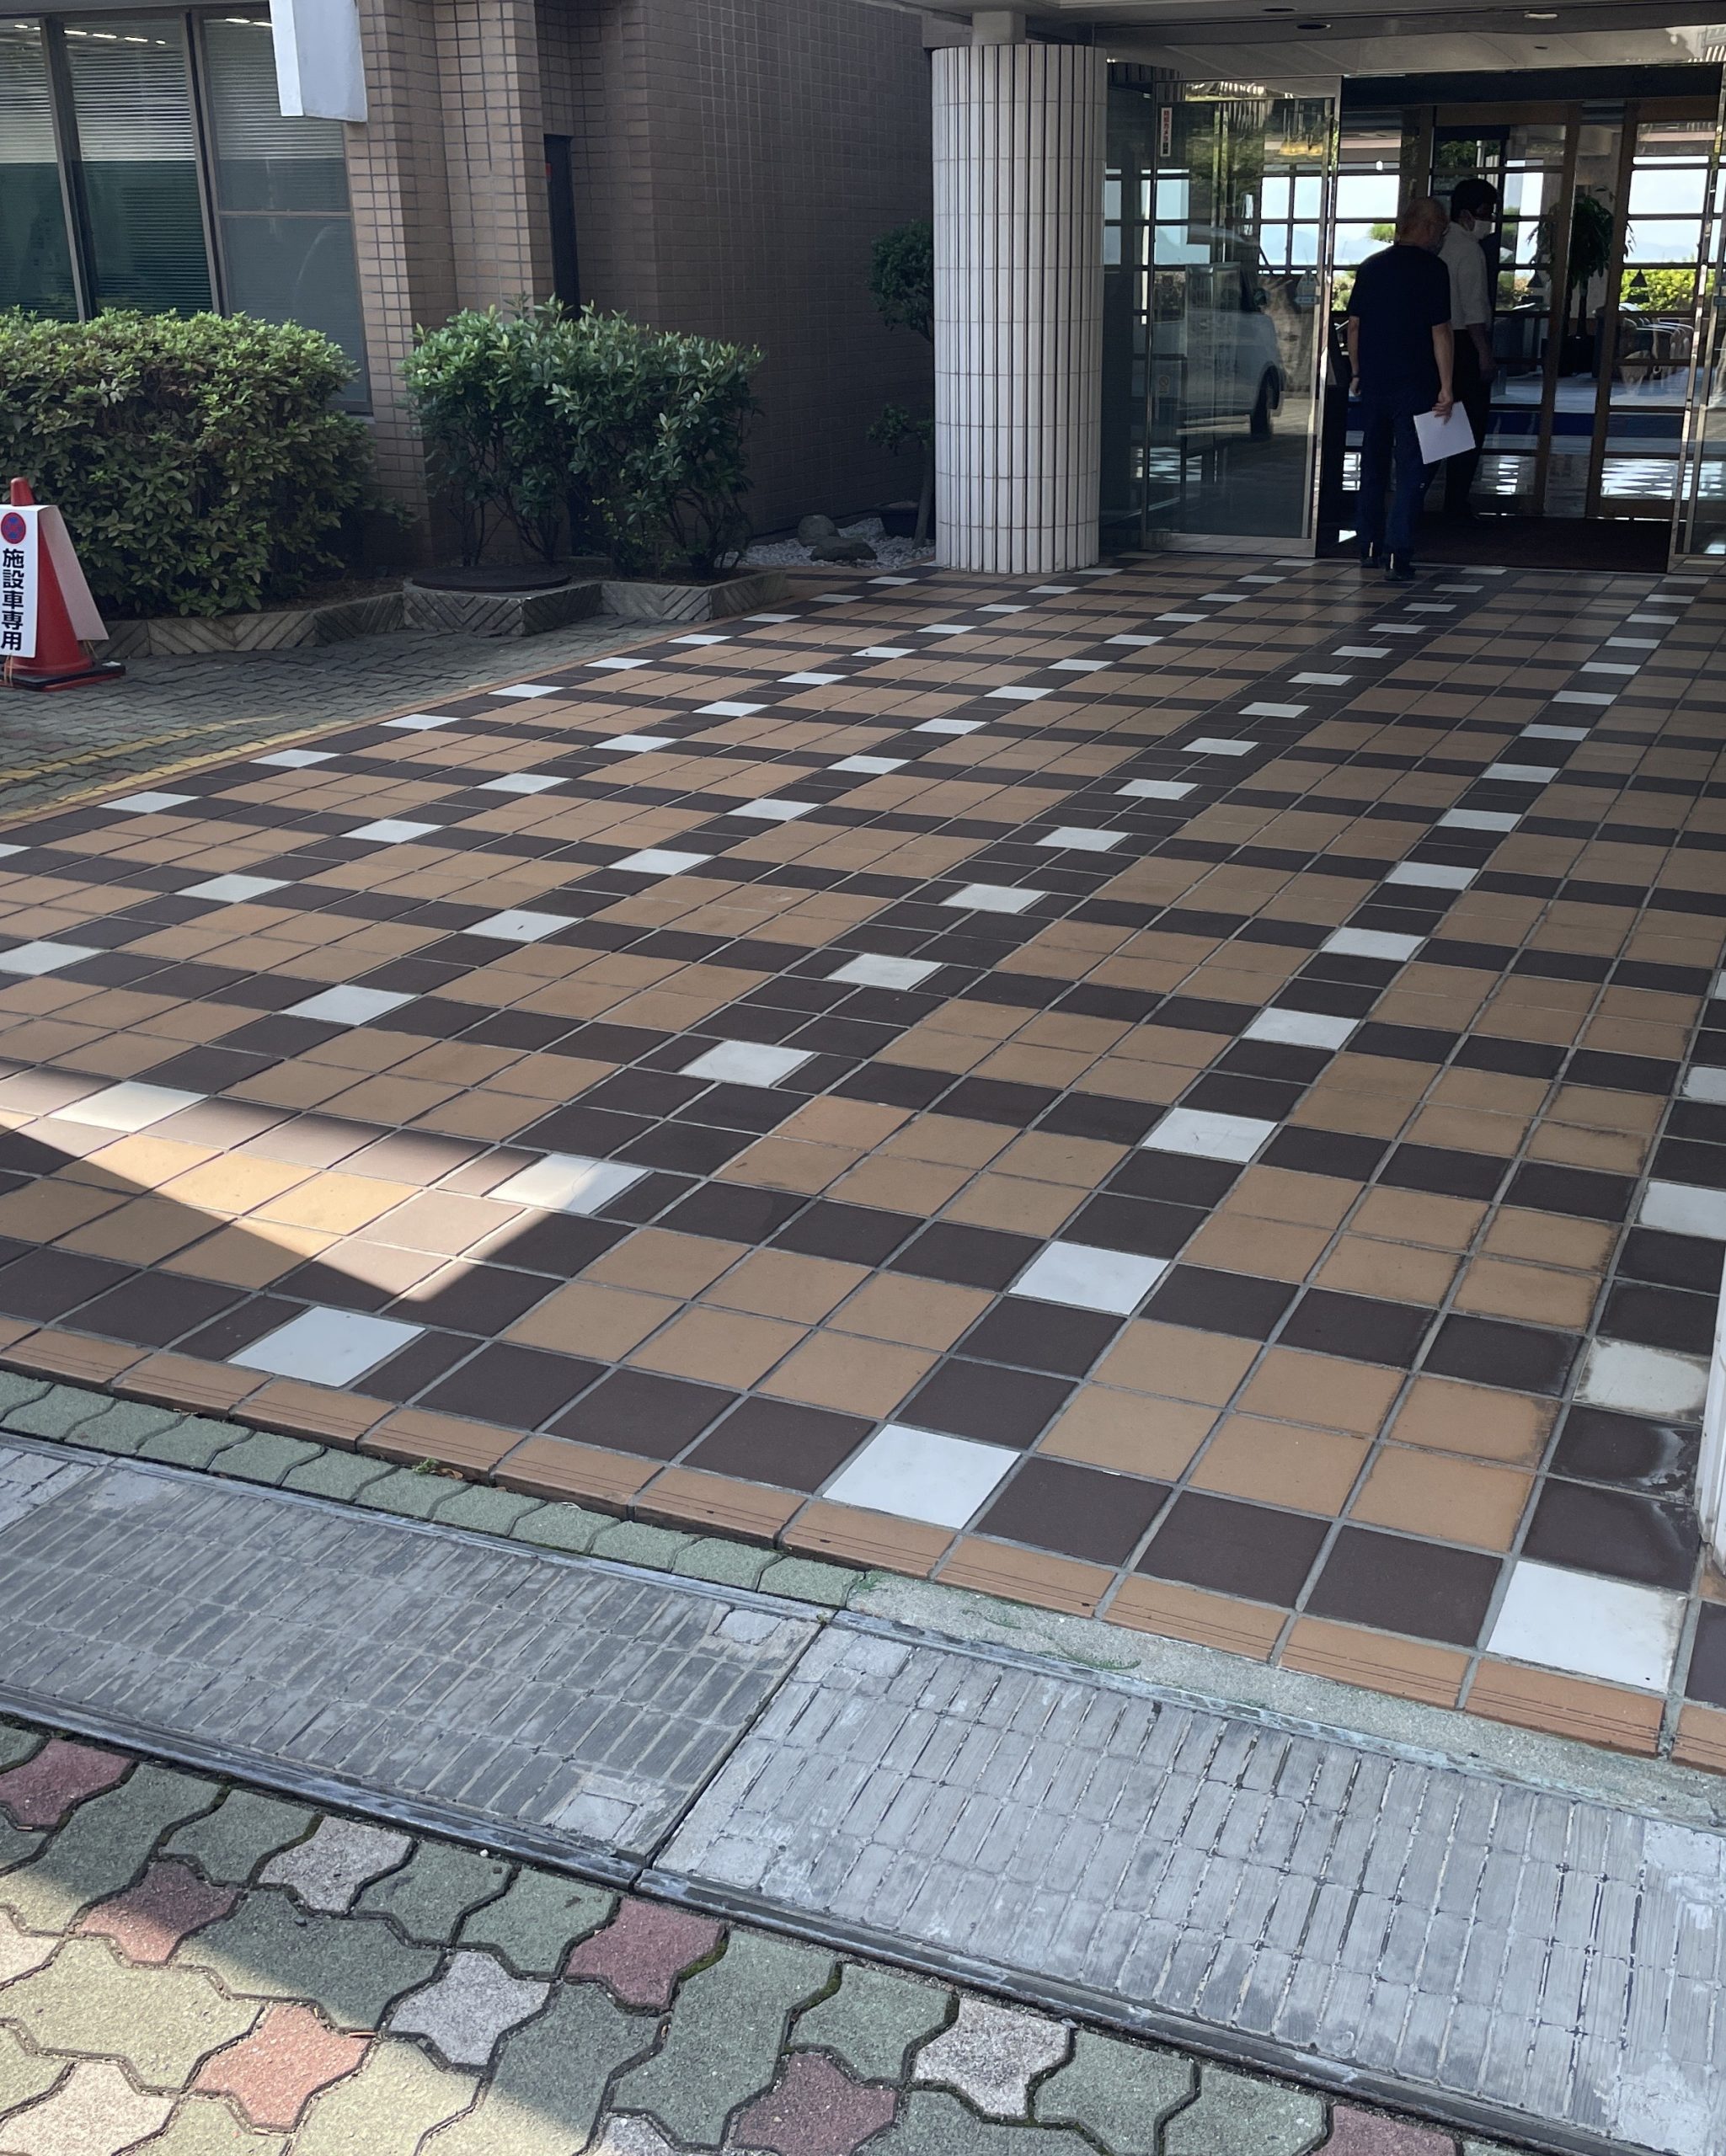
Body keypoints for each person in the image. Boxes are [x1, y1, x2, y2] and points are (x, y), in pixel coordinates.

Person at [1345, 196, 1456, 583]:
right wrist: (1447, 386)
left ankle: (1368, 545)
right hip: (1416, 383)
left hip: (1376, 382)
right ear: (1428, 227)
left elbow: (1354, 326)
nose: (1441, 237)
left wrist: (1357, 371)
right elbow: (1441, 331)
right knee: (1413, 468)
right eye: (1441, 230)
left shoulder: (1371, 267)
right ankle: (1397, 551)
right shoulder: (1433, 270)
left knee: (1373, 464)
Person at [1440, 178, 1499, 517]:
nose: (1488, 221)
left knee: (1439, 425)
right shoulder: (1469, 250)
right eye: (1486, 213)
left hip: (1436, 343)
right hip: (1464, 345)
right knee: (1470, 426)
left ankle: (1420, 498)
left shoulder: (1438, 244)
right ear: (1467, 214)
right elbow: (1474, 311)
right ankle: (1455, 502)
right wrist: (1485, 355)